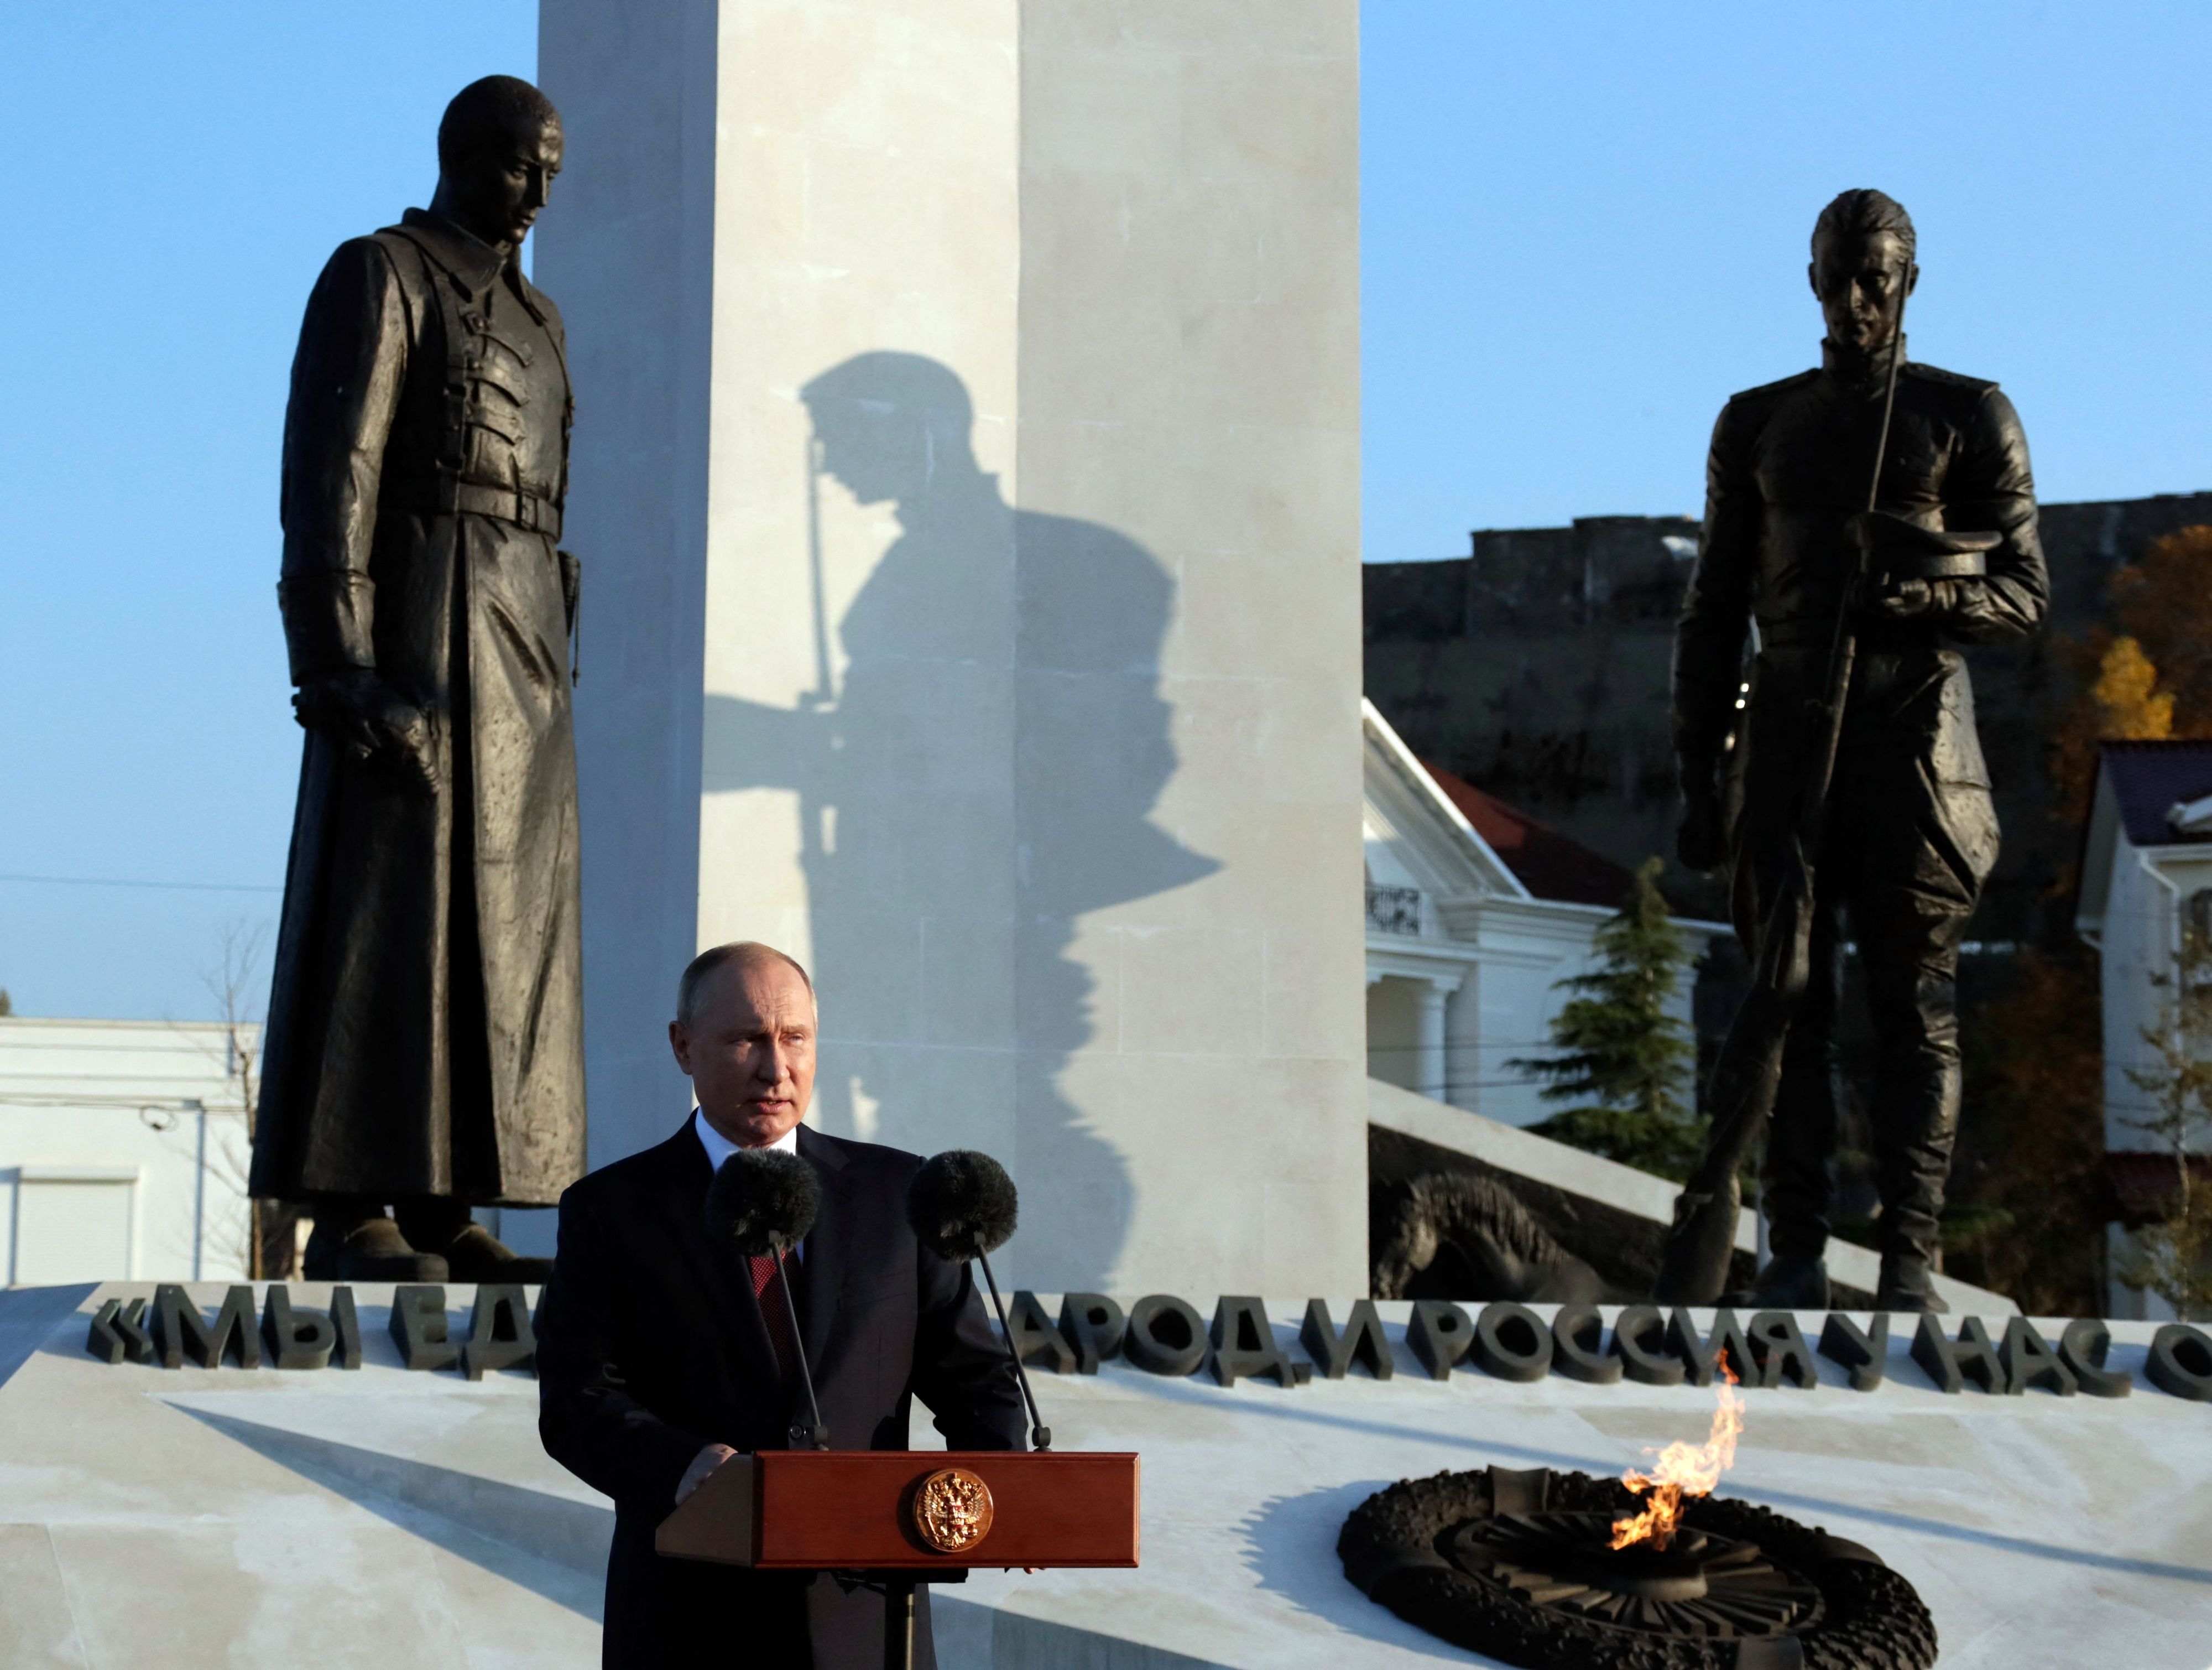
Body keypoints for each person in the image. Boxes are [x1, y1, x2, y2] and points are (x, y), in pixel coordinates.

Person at [1672, 189, 2047, 1312]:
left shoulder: (1966, 413)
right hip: (1787, 725)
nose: (1854, 298)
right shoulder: (1756, 422)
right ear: (1810, 280)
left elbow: (2023, 593)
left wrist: (1919, 598)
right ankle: (1793, 1252)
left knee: (1913, 1004)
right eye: (1836, 275)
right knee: (1787, 999)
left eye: (1874, 276)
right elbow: (1711, 609)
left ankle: (1909, 1262)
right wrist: (1697, 777)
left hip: (1917, 737)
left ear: (1908, 281)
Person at [251, 75, 586, 1281]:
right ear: (459, 155)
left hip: (523, 639)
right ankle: (351, 1204)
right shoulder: (383, 273)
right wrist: (338, 661)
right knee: (391, 914)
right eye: (517, 165)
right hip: (419, 618)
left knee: (504, 931)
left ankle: (446, 1206)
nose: (535, 192)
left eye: (550, 172)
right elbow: (332, 470)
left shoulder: (540, 317)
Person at [535, 943, 1025, 1668]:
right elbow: (577, 1403)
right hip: (689, 1620)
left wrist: (1006, 1491)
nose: (776, 1068)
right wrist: (685, 1465)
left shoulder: (898, 1196)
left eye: (795, 1038)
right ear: (682, 1046)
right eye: (746, 1040)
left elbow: (975, 1379)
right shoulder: (613, 1210)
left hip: (866, 1622)